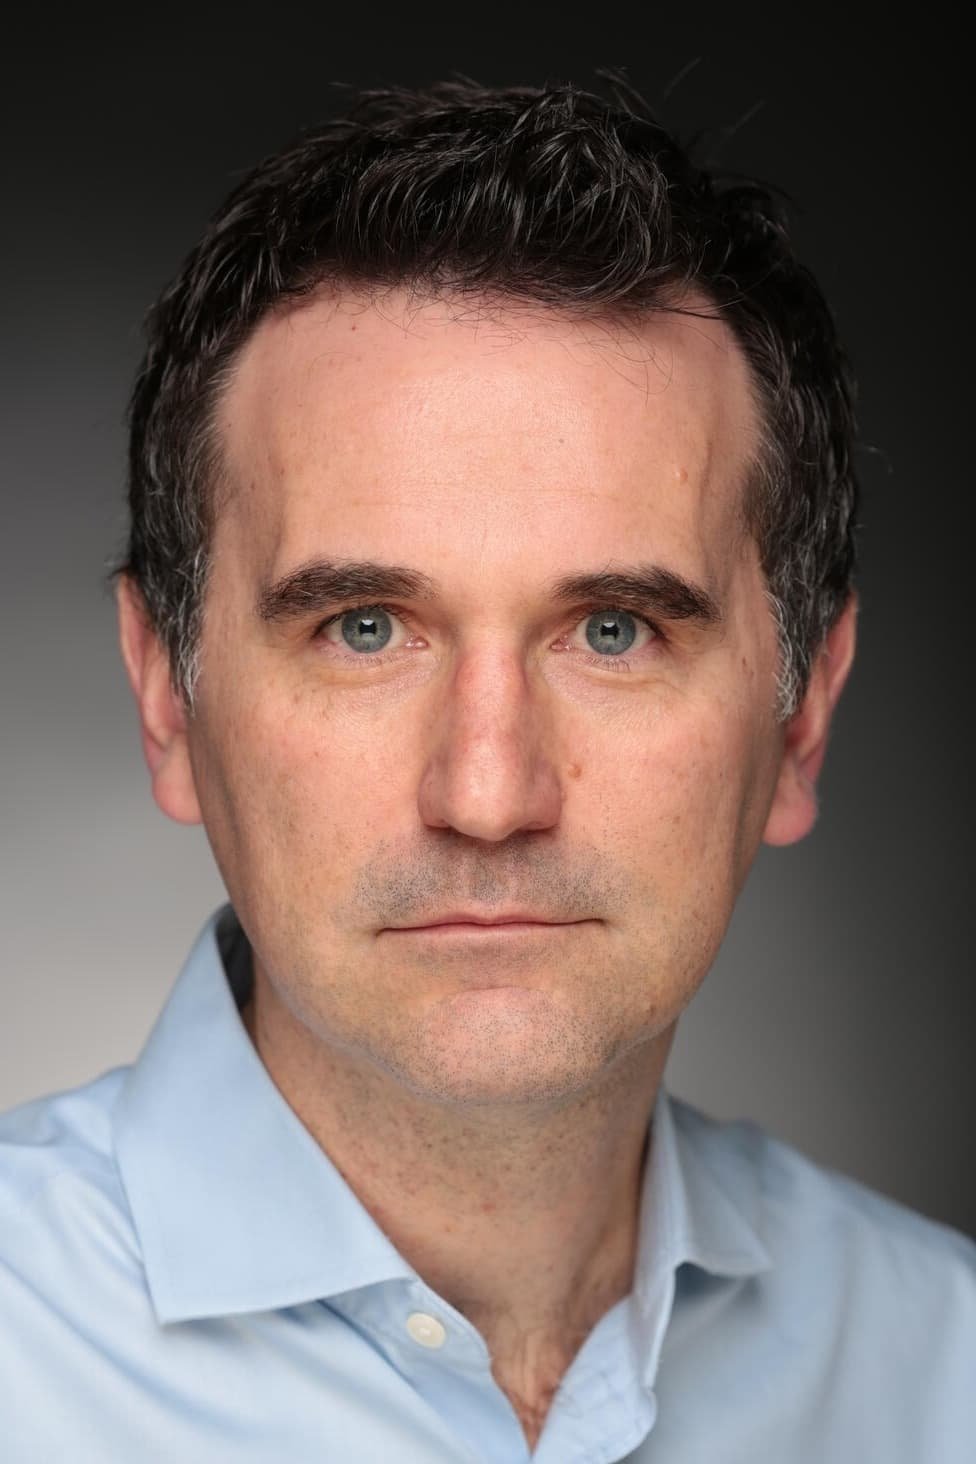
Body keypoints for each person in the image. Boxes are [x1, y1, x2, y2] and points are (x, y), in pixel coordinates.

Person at [1, 77, 972, 1464]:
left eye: (614, 631)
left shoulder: (946, 1369)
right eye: (364, 628)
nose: (489, 794)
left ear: (803, 714)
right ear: (167, 695)